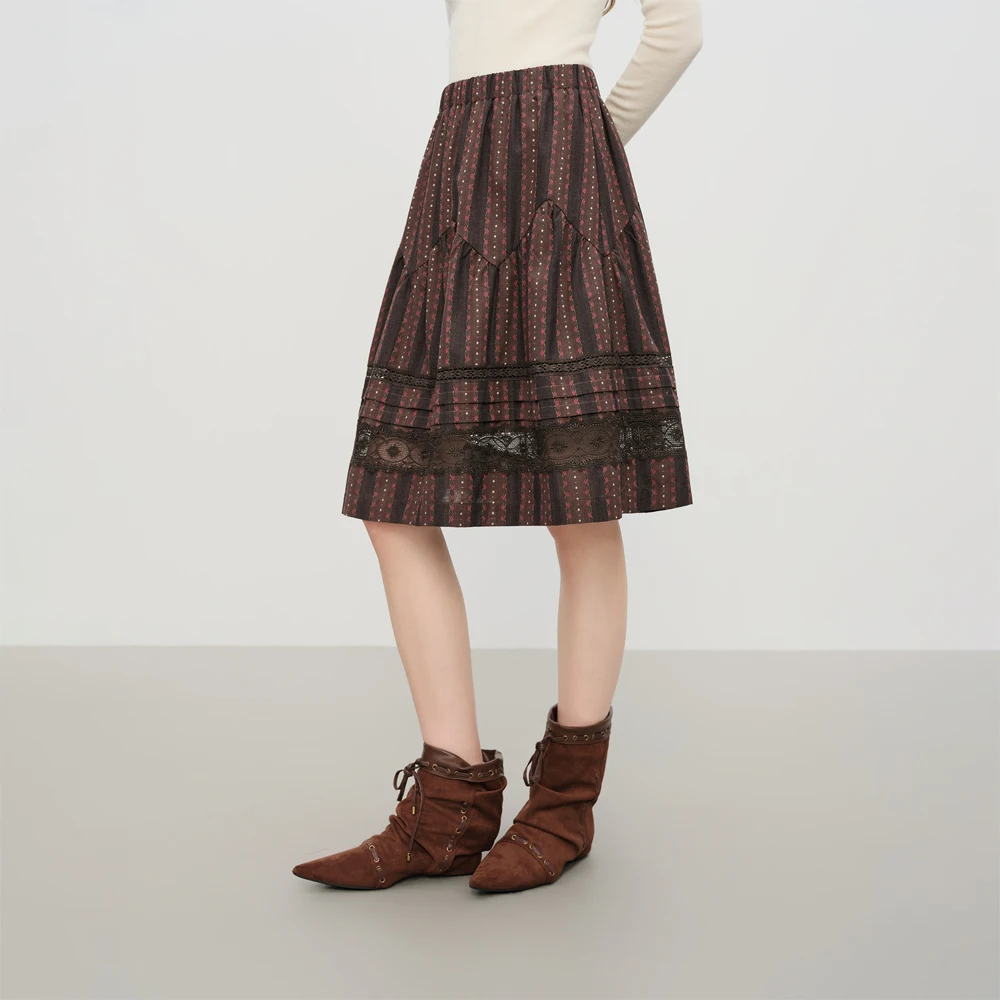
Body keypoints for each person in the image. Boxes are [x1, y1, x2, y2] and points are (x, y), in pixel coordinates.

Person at [293, 0, 703, 893]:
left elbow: (678, 30)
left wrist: (595, 143)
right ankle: (450, 807)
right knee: (394, 496)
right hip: (461, 155)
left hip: (564, 156)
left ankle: (563, 806)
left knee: (582, 499)